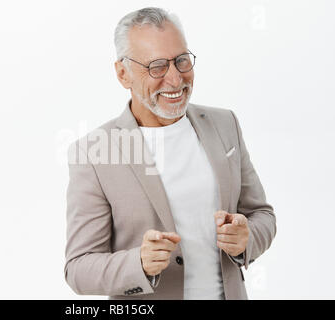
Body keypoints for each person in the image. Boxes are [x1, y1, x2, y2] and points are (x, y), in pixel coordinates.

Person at [64, 7, 276, 300]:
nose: (176, 79)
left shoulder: (225, 124)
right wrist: (138, 263)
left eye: (181, 61)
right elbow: (78, 269)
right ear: (123, 73)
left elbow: (262, 214)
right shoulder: (94, 153)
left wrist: (246, 239)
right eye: (157, 67)